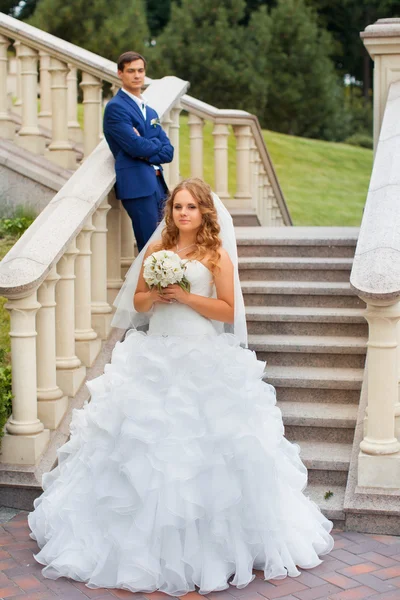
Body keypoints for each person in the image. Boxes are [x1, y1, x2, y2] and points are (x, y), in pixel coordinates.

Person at [28, 178, 333, 596]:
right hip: (154, 355)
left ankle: (214, 549)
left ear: (204, 212)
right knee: (140, 448)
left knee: (202, 452)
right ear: (169, 213)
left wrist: (187, 297)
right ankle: (133, 546)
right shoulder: (156, 252)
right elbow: (136, 302)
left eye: (191, 207)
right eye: (177, 207)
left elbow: (227, 311)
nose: (183, 214)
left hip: (201, 357)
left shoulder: (217, 256)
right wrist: (155, 296)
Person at [103, 51, 174, 252]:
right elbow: (134, 146)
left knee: (165, 242)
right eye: (131, 71)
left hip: (158, 183)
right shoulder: (116, 108)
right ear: (120, 73)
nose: (137, 75)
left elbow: (168, 152)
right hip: (137, 185)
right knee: (150, 245)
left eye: (140, 70)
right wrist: (147, 143)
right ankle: (147, 285)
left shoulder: (150, 112)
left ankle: (163, 284)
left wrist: (144, 143)